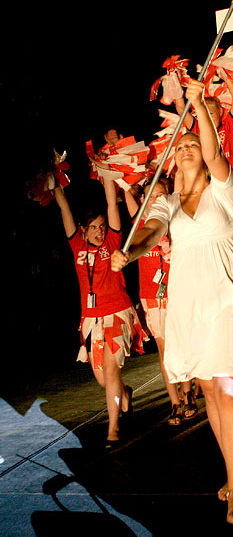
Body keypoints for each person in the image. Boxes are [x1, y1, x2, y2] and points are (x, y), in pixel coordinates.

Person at [111, 78, 233, 525]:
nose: (186, 150)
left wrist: (198, 106)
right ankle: (230, 470)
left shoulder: (223, 187)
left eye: (192, 144)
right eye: (180, 148)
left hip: (226, 295)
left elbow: (215, 154)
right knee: (213, 392)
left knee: (229, 388)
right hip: (188, 302)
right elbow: (149, 233)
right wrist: (131, 252)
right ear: (172, 163)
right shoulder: (169, 203)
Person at [54, 179, 146, 449]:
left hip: (118, 314)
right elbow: (64, 210)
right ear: (83, 230)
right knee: (102, 378)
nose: (98, 231)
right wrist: (54, 183)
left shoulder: (112, 240)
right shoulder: (77, 246)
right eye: (93, 227)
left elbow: (110, 201)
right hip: (91, 320)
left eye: (101, 227)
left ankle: (113, 428)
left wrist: (107, 174)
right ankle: (124, 394)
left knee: (112, 372)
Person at [123, 179, 198, 425]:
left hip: (178, 291)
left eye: (160, 194)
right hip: (151, 295)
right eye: (150, 196)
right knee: (165, 352)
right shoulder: (140, 223)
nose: (155, 199)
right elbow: (125, 190)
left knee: (183, 345)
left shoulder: (179, 220)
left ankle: (188, 395)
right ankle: (174, 401)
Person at [175, 70, 233, 175]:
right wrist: (176, 83)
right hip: (208, 178)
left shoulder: (228, 127)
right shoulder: (197, 129)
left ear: (220, 112)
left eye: (211, 113)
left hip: (231, 175)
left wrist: (226, 77)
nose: (208, 118)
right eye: (204, 114)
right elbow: (181, 110)